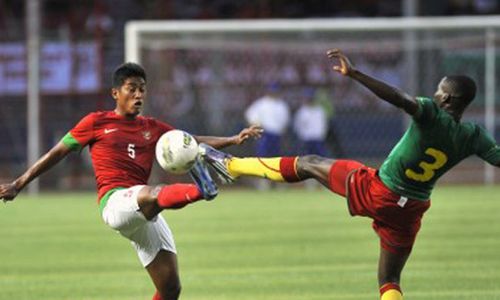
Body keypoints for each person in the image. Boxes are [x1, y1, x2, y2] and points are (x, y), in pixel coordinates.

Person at [199, 49, 500, 300]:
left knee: (309, 163)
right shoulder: (475, 136)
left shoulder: (431, 114)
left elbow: (399, 97)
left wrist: (355, 75)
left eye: (439, 90)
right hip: (412, 211)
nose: (434, 93)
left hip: (379, 190)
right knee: (390, 280)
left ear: (447, 99)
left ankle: (232, 167)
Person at [0, 62, 262, 300]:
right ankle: (201, 189)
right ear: (116, 93)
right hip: (115, 203)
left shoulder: (152, 127)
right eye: (132, 89)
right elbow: (57, 152)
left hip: (143, 213)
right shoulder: (95, 122)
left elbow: (190, 141)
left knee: (170, 289)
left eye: (142, 90)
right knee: (152, 194)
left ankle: (197, 189)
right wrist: (18, 184)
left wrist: (232, 139)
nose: (138, 95)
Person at [244, 82, 290, 189]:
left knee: (277, 159)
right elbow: (250, 115)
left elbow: (285, 121)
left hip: (277, 134)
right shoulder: (261, 103)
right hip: (265, 133)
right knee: (263, 157)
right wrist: (256, 126)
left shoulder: (281, 105)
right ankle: (263, 181)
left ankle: (278, 181)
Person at [293, 87, 329, 157]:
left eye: (310, 98)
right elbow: (297, 126)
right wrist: (303, 136)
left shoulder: (320, 110)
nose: (309, 100)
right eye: (308, 98)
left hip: (318, 139)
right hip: (306, 140)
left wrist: (321, 135)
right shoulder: (301, 111)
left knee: (321, 160)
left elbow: (324, 125)